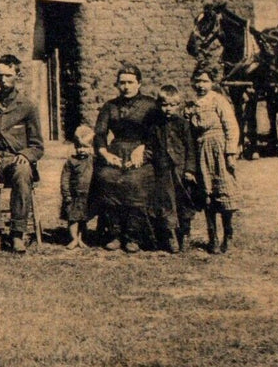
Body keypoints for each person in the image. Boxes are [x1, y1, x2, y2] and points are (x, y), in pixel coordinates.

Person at [0, 54, 45, 254]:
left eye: (8, 75)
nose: (3, 80)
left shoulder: (27, 106)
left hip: (16, 159)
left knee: (23, 172)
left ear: (18, 76)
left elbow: (38, 145)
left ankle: (17, 234)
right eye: (0, 76)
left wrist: (27, 155)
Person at [92, 63, 158, 253]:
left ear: (139, 83)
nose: (126, 87)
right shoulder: (110, 106)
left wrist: (143, 148)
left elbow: (156, 133)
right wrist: (104, 153)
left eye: (130, 82)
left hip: (144, 152)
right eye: (122, 83)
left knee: (134, 181)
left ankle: (133, 236)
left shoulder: (150, 105)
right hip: (116, 152)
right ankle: (114, 234)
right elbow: (100, 133)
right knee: (106, 178)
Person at [187, 63, 242, 254]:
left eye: (205, 81)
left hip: (218, 148)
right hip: (200, 150)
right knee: (207, 195)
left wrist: (230, 153)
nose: (201, 85)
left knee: (223, 193)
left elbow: (231, 127)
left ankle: (228, 232)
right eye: (198, 81)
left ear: (212, 82)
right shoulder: (191, 104)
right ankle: (213, 237)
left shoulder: (218, 100)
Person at [147, 85, 200, 253]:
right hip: (163, 171)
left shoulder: (183, 124)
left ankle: (185, 233)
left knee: (184, 201)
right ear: (158, 105)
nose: (168, 109)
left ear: (178, 105)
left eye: (172, 105)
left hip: (181, 170)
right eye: (164, 105)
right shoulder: (155, 125)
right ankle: (170, 235)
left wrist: (190, 170)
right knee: (166, 202)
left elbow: (191, 148)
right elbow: (150, 146)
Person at [60, 124, 96, 250]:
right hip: (74, 195)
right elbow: (65, 178)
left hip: (87, 195)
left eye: (85, 147)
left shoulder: (93, 160)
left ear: (91, 147)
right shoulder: (71, 161)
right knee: (73, 219)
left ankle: (81, 238)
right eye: (78, 146)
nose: (81, 150)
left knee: (83, 219)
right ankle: (73, 238)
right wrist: (66, 194)